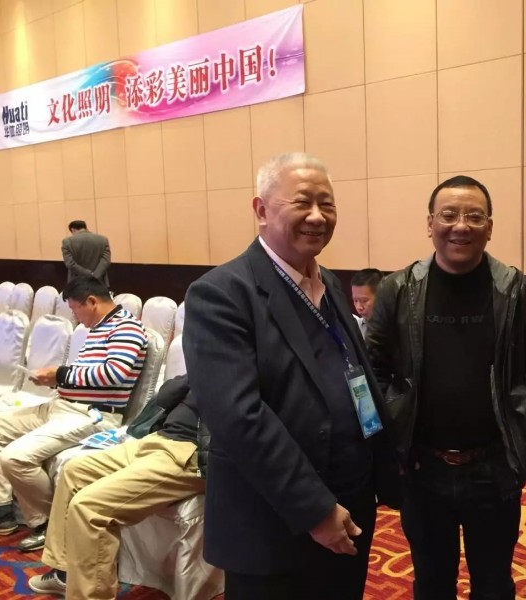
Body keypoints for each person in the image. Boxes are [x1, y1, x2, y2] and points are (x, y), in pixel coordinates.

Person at [182, 153, 400, 600]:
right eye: (302, 202)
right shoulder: (222, 294)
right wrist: (315, 509)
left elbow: (354, 377)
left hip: (350, 504)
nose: (318, 216)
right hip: (276, 522)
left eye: (327, 204)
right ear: (261, 210)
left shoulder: (329, 283)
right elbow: (239, 418)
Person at [367, 175, 526, 600]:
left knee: (493, 583)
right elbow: (374, 369)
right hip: (422, 467)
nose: (460, 226)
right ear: (429, 223)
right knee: (431, 583)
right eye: (448, 215)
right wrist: (390, 441)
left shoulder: (517, 292)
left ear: (490, 227)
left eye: (474, 216)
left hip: (494, 467)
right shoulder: (398, 290)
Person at [0, 276, 147, 552]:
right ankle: (3, 509)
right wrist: (55, 381)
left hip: (91, 414)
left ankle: (50, 524)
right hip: (62, 405)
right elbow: (84, 376)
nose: (76, 317)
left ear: (91, 302)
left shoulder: (127, 328)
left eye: (76, 309)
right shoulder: (99, 328)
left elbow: (114, 374)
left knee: (15, 457)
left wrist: (60, 374)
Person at [26, 375, 205, 600]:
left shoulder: (236, 367)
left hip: (192, 452)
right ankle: (66, 574)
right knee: (75, 471)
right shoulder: (204, 362)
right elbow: (167, 393)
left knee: (89, 508)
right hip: (160, 438)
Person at [62, 221, 111, 289]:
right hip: (99, 281)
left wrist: (89, 274)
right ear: (85, 227)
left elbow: (70, 263)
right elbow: (106, 261)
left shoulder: (67, 241)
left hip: (77, 282)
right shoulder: (103, 240)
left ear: (73, 230)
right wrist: (95, 275)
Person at [350, 268, 383, 337]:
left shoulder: (397, 328)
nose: (359, 307)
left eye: (364, 301)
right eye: (355, 300)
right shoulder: (355, 327)